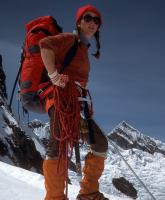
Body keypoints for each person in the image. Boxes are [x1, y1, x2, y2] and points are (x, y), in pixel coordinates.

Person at [39, 4, 109, 200]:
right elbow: (45, 45)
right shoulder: (69, 39)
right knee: (58, 145)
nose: (93, 23)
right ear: (79, 22)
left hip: (76, 104)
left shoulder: (83, 49)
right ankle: (55, 197)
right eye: (88, 18)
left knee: (100, 144)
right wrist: (54, 76)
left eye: (97, 21)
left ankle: (88, 193)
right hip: (59, 99)